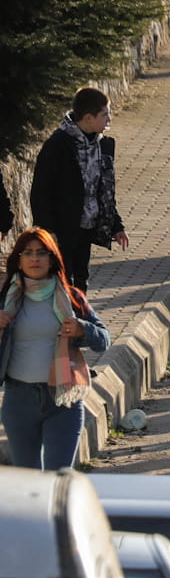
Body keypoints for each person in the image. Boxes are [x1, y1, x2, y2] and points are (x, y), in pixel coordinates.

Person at [0, 230, 110, 470]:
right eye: (27, 253)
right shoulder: (5, 298)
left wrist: (83, 329)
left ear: (52, 259)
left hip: (63, 400)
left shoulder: (71, 298)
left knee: (58, 478)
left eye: (41, 253)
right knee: (27, 483)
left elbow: (104, 340)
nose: (34, 259)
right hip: (19, 399)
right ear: (18, 259)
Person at [30, 88, 128, 292]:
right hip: (62, 229)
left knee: (81, 279)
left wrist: (116, 225)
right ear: (88, 118)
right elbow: (41, 191)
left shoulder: (103, 145)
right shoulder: (58, 146)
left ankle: (79, 319)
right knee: (62, 280)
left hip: (87, 226)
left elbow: (105, 191)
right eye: (105, 114)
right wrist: (47, 229)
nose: (109, 118)